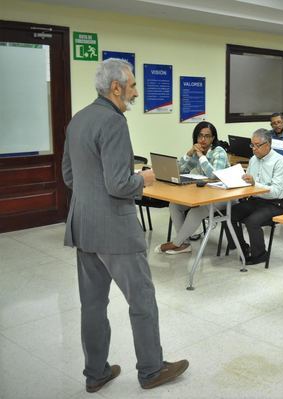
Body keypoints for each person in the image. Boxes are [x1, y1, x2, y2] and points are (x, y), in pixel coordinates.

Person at [61, 58, 188, 392]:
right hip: (116, 231)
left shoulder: (78, 121)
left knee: (92, 305)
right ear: (115, 88)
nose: (135, 92)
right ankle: (150, 369)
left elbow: (69, 176)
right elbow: (119, 185)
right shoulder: (113, 123)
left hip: (83, 227)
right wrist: (143, 178)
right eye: (132, 85)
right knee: (142, 300)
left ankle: (96, 372)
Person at [155, 122, 230, 254]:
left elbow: (213, 175)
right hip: (204, 194)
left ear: (213, 138)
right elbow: (179, 170)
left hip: (224, 195)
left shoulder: (219, 152)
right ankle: (184, 243)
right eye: (200, 136)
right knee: (174, 205)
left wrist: (201, 156)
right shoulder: (196, 152)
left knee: (196, 211)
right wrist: (189, 154)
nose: (203, 139)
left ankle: (176, 243)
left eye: (207, 136)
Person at [227, 128, 283, 265]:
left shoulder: (280, 162)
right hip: (256, 200)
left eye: (257, 145)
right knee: (229, 214)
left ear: (268, 144)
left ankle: (260, 254)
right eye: (252, 145)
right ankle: (242, 247)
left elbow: (276, 192)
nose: (253, 149)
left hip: (276, 203)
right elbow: (247, 183)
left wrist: (255, 184)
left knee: (252, 221)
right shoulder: (253, 160)